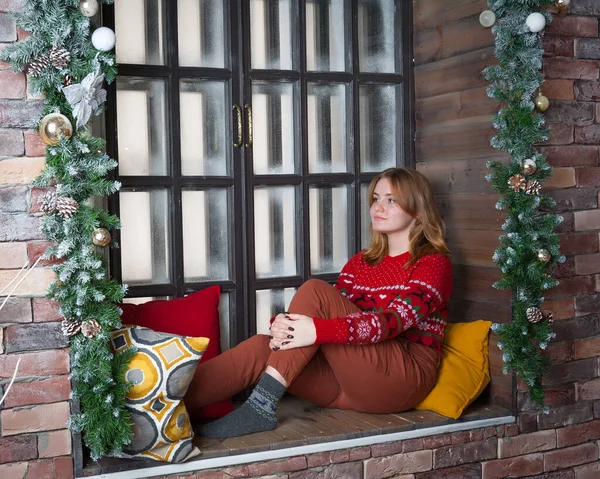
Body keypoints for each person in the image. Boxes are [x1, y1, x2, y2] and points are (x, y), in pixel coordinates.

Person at [184, 167, 452, 438]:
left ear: (418, 210)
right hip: (346, 384)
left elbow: (391, 323)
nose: (378, 207)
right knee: (260, 347)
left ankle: (260, 406)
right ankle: (157, 405)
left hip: (399, 381)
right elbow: (325, 315)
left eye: (391, 200)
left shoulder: (432, 263)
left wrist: (316, 330)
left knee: (315, 290)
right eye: (376, 198)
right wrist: (284, 327)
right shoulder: (360, 262)